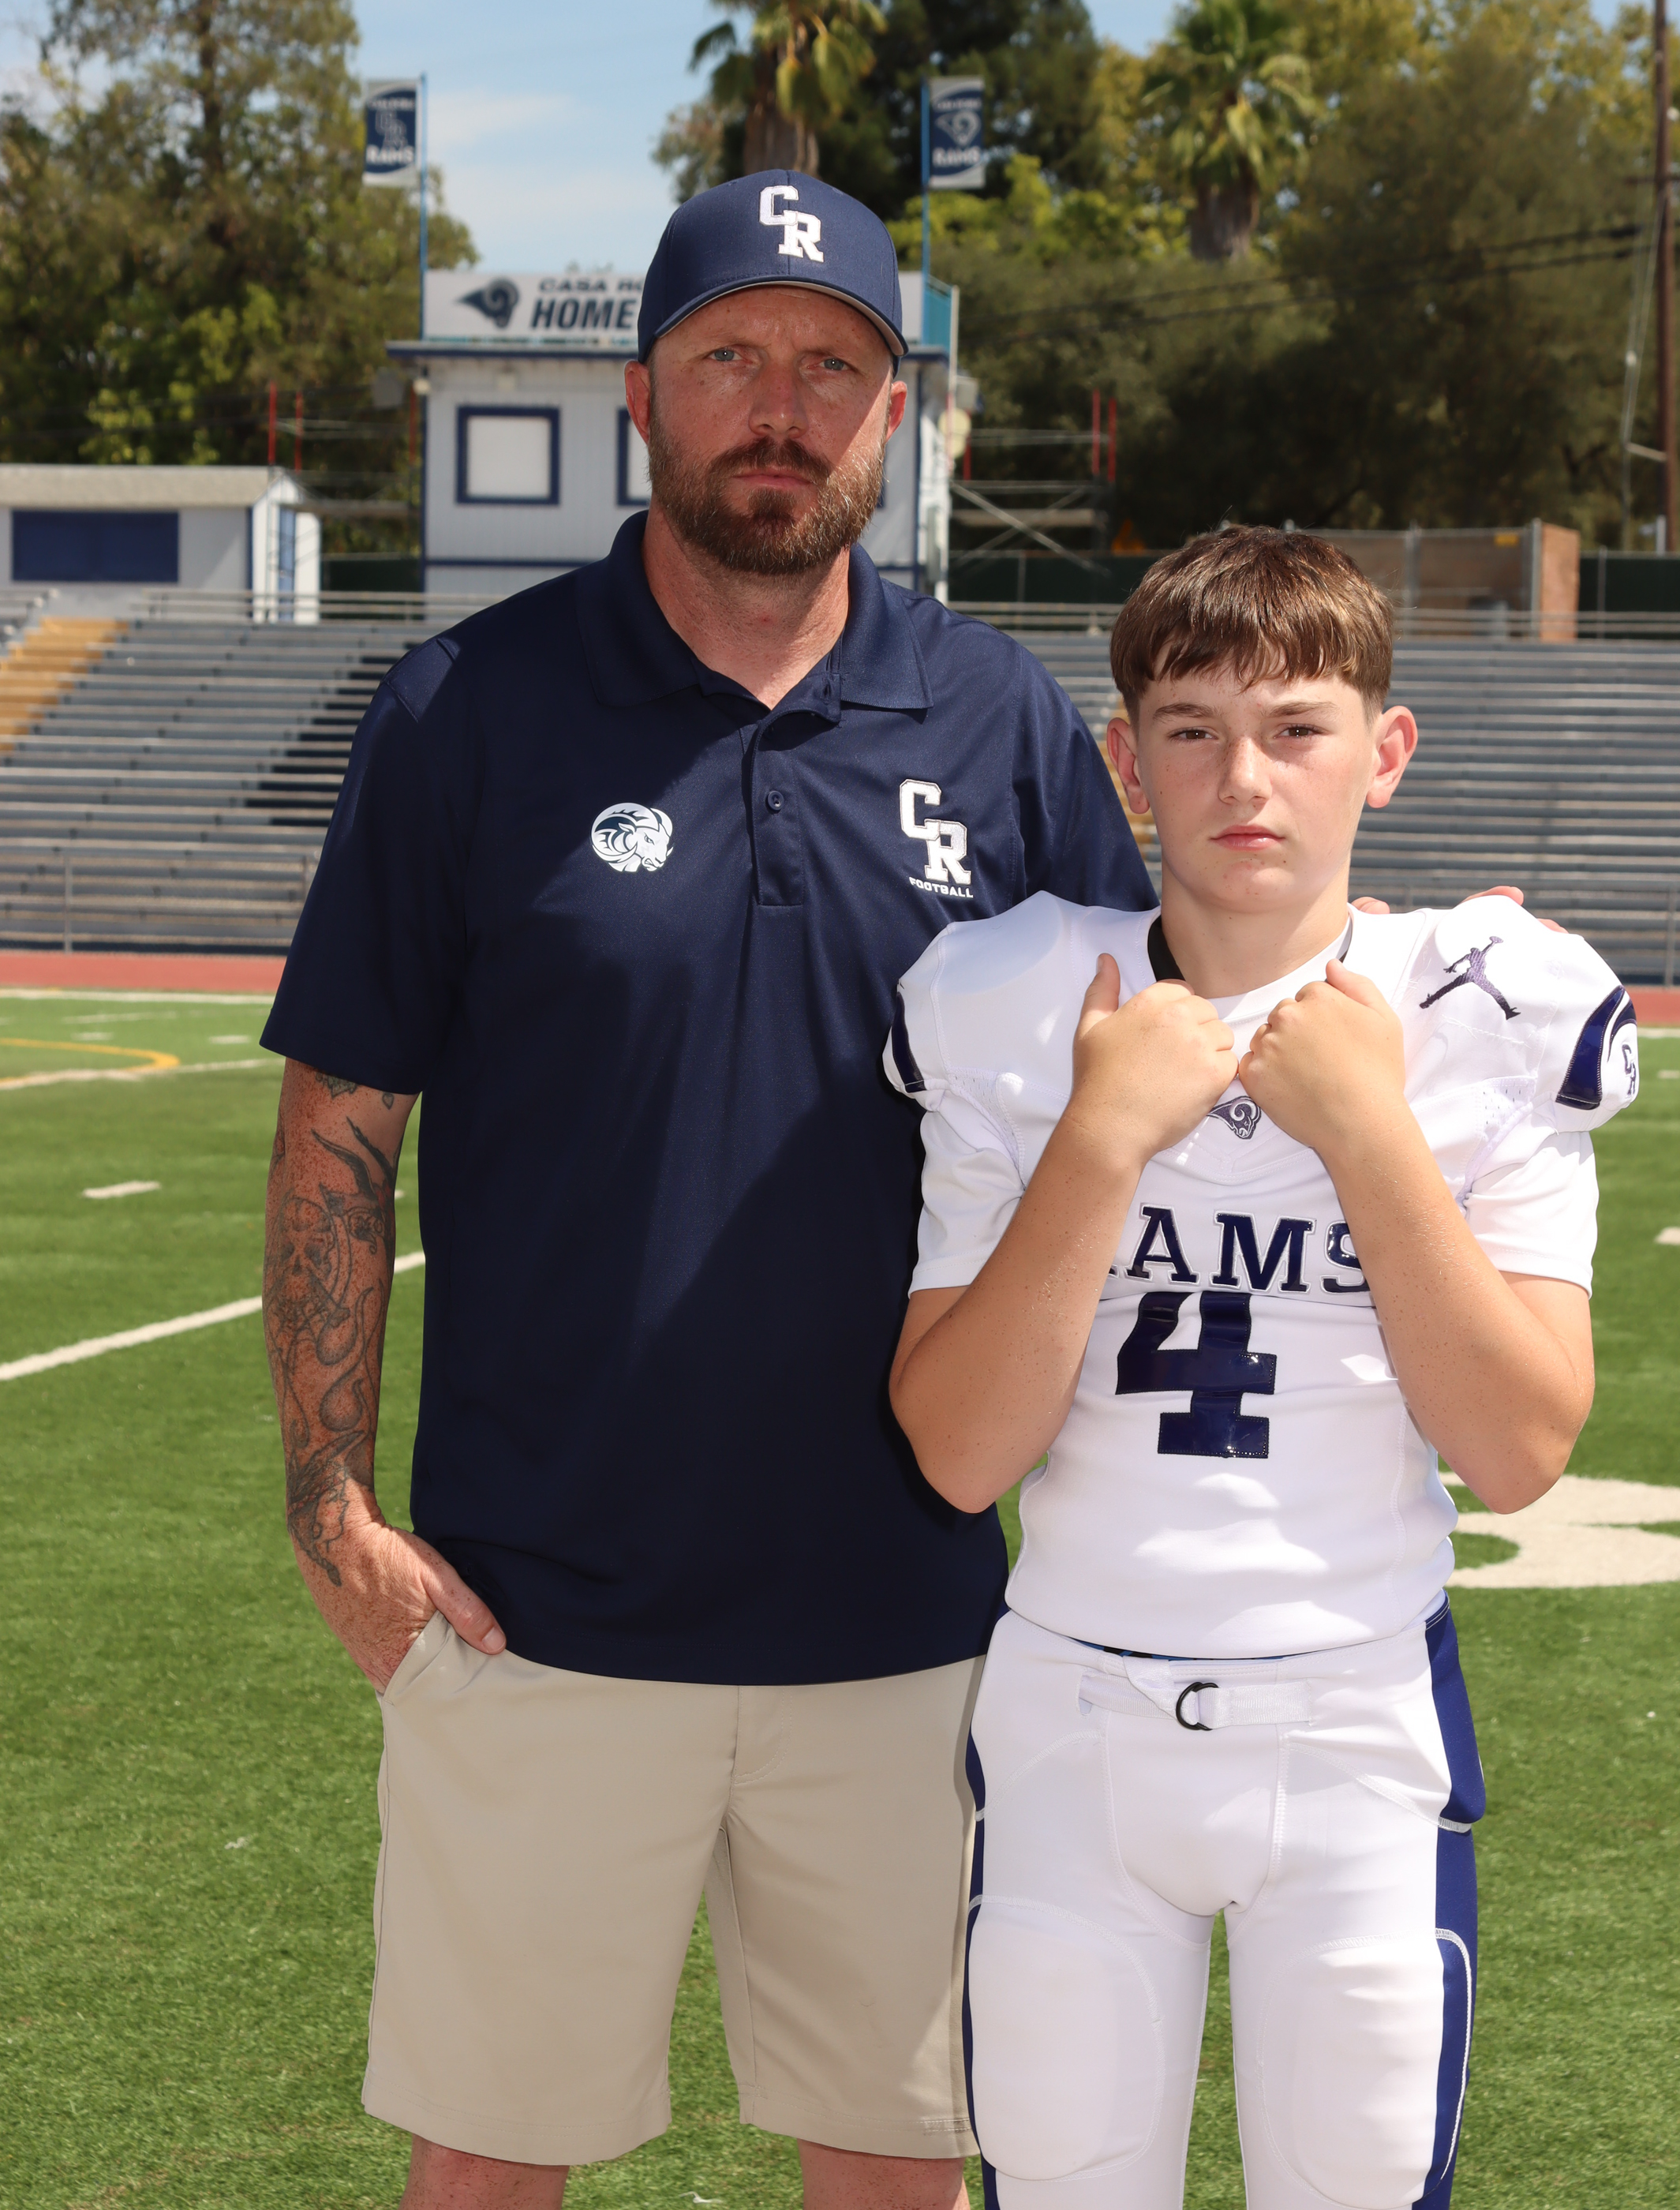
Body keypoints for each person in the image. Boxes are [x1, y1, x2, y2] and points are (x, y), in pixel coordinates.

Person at [258, 170, 1155, 2210]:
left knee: (901, 2169)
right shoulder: (468, 710)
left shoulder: (1001, 723)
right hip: (534, 1616)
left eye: (832, 367)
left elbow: (1156, 1064)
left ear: (894, 417)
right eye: (732, 355)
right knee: (489, 2166)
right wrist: (328, 1500)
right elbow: (341, 1124)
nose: (781, 405)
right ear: (642, 396)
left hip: (908, 1619)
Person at [885, 529, 1639, 2210]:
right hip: (1075, 1719)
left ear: (1385, 749)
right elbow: (958, 1453)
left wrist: (1370, 1134)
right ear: (1126, 757)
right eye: (1193, 729)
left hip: (1358, 1714)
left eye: (1296, 728)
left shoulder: (1488, 1007)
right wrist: (1101, 1135)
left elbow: (1518, 1448)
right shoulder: (1017, 1000)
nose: (1244, 777)